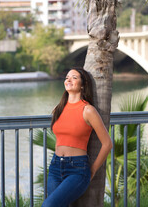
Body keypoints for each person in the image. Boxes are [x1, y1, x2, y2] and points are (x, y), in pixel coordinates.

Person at [42, 67, 113, 207]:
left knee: (48, 205)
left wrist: (92, 170)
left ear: (83, 84)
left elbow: (107, 144)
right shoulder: (59, 108)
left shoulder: (88, 110)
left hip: (77, 169)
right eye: (67, 77)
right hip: (55, 166)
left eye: (74, 77)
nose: (69, 80)